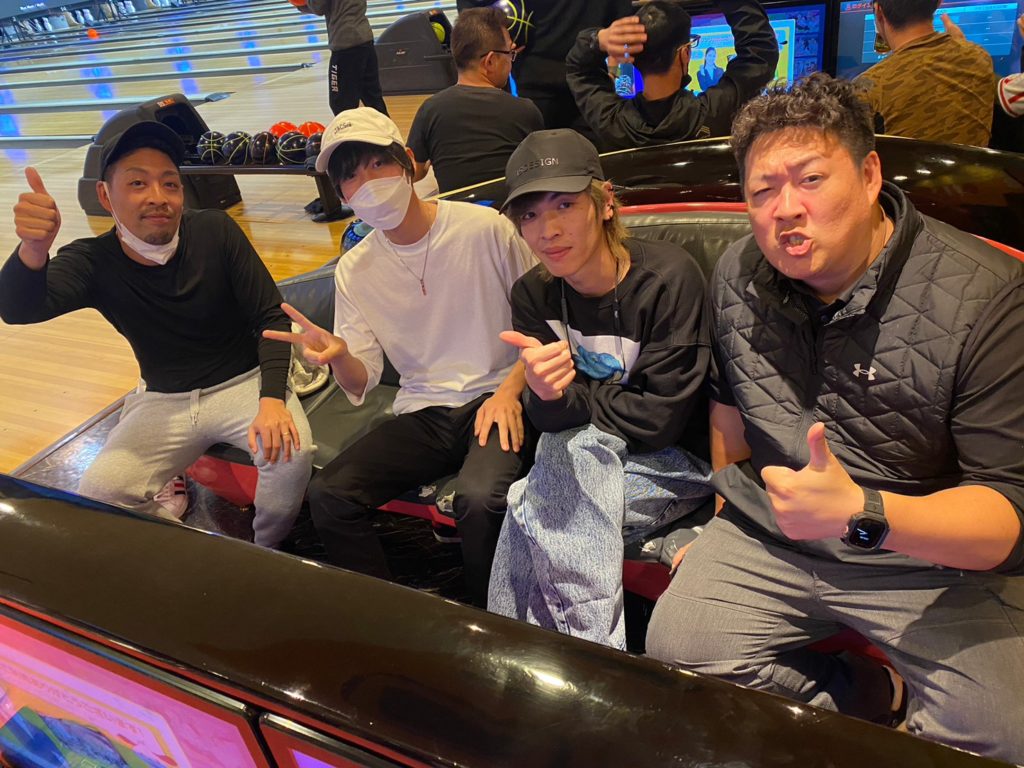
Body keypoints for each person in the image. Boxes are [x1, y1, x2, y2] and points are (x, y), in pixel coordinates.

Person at [645, 74, 1024, 763]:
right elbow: (729, 410)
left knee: (1004, 725)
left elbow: (1008, 516)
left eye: (811, 179)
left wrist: (861, 512)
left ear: (870, 174)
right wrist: (726, 517)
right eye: (763, 190)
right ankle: (871, 696)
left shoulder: (986, 297)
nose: (786, 209)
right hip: (775, 534)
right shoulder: (738, 273)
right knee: (678, 651)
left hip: (924, 554)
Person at [265, 107, 535, 607]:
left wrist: (510, 391)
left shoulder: (485, 229)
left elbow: (541, 325)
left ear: (408, 163)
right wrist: (337, 356)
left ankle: (491, 616)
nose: (367, 184)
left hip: (496, 396)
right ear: (342, 195)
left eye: (377, 164)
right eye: (350, 177)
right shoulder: (355, 269)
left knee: (479, 499)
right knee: (331, 495)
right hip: (425, 411)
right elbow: (360, 381)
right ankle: (386, 611)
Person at [0, 122, 313, 548]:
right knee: (101, 493)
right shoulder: (93, 260)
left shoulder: (215, 230)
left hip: (245, 381)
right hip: (164, 399)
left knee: (293, 455)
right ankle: (199, 555)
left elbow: (271, 317)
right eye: (137, 183)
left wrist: (272, 398)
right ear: (105, 196)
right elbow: (18, 309)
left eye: (170, 183)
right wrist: (33, 249)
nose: (158, 196)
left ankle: (264, 552)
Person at [487, 129, 713, 649]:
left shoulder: (668, 279)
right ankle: (563, 657)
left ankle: (533, 653)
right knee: (554, 486)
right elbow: (551, 419)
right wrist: (544, 395)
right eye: (529, 215)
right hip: (583, 450)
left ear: (605, 202)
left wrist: (571, 399)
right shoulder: (532, 294)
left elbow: (660, 421)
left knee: (535, 507)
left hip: (678, 458)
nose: (548, 230)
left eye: (565, 205)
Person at [566, 0, 778, 151]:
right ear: (685, 54)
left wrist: (597, 39)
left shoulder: (610, 123)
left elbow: (580, 70)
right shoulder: (717, 113)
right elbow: (760, 54)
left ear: (630, 57)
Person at [407, 7, 544, 194]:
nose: (511, 60)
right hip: (512, 209)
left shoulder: (430, 110)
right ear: (490, 61)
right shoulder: (525, 110)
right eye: (509, 53)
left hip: (458, 211)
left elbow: (414, 172)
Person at [457, 0, 634, 140]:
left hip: (590, 80)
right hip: (536, 81)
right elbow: (471, 13)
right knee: (542, 160)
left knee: (599, 163)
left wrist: (627, 93)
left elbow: (625, 34)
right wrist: (499, 42)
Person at [856, 0, 994, 146]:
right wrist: (963, 49)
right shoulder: (980, 57)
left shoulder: (868, 86)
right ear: (938, 3)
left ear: (878, 11)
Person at [304, 0, 388, 116]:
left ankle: (348, 128)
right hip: (365, 39)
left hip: (345, 44)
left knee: (341, 104)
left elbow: (318, 7)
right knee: (373, 100)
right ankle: (386, 128)